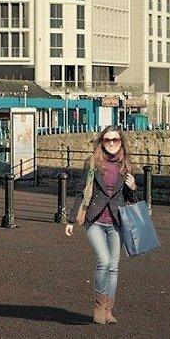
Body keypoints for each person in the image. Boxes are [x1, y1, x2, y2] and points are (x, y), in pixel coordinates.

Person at [64, 125, 138, 325]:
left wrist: (133, 187)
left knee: (113, 267)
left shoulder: (126, 165)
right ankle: (98, 306)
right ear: (101, 142)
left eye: (115, 140)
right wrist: (71, 220)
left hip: (117, 222)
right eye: (107, 140)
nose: (112, 143)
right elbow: (81, 191)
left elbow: (130, 198)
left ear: (121, 142)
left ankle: (108, 309)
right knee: (104, 262)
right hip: (95, 220)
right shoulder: (93, 163)